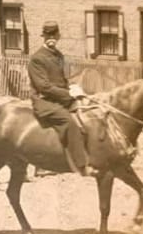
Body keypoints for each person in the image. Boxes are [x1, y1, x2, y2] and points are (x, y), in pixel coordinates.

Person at [28, 21, 97, 177]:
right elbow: (43, 87)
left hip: (60, 98)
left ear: (58, 36)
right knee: (69, 121)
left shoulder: (59, 55)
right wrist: (67, 94)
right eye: (48, 35)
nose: (51, 38)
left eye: (54, 35)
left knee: (87, 111)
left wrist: (73, 88)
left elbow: (62, 80)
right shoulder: (37, 59)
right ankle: (81, 164)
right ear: (43, 37)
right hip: (44, 100)